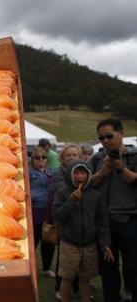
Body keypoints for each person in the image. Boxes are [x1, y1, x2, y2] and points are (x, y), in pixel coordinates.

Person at [89, 118, 137, 302]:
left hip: (129, 222)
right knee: (108, 268)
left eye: (109, 136)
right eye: (101, 138)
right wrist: (102, 173)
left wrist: (121, 168)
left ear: (121, 134)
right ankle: (111, 298)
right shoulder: (96, 158)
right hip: (104, 224)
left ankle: (131, 293)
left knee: (132, 266)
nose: (106, 141)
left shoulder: (134, 156)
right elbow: (87, 185)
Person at [53, 160, 114, 302]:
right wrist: (71, 201)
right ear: (70, 175)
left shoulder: (95, 195)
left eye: (83, 173)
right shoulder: (62, 193)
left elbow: (102, 222)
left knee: (85, 278)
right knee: (67, 278)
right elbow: (57, 216)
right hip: (69, 245)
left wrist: (105, 244)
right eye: (76, 173)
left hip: (89, 245)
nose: (80, 177)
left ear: (89, 175)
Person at [46, 144, 83, 298]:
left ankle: (76, 287)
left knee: (80, 257)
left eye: (74, 155)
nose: (71, 157)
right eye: (68, 155)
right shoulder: (58, 174)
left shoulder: (82, 173)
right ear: (62, 158)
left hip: (80, 222)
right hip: (64, 221)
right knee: (64, 257)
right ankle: (60, 288)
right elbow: (56, 193)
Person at [29, 147, 56, 278]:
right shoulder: (28, 172)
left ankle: (46, 268)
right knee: (32, 243)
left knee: (48, 241)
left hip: (48, 211)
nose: (41, 160)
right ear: (32, 159)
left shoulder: (52, 172)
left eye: (43, 157)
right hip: (34, 211)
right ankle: (29, 268)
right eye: (37, 157)